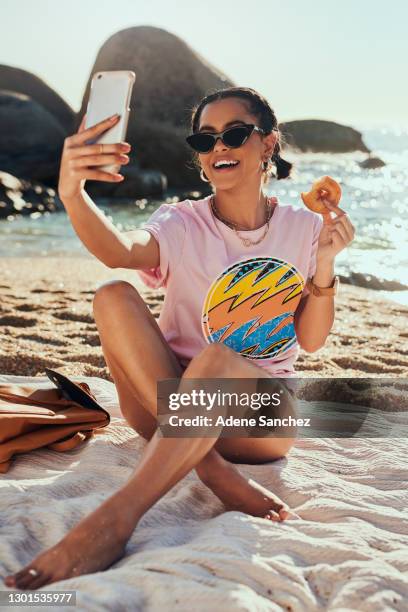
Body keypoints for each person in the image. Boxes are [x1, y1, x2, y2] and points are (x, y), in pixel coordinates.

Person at [4, 86, 355, 590]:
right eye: (204, 138)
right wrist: (71, 193)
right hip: (164, 403)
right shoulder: (181, 222)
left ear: (268, 144)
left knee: (218, 359)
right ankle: (210, 469)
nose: (218, 148)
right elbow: (120, 250)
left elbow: (313, 341)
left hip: (259, 419)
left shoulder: (305, 227)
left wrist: (324, 266)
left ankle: (115, 519)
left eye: (234, 134)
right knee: (112, 294)